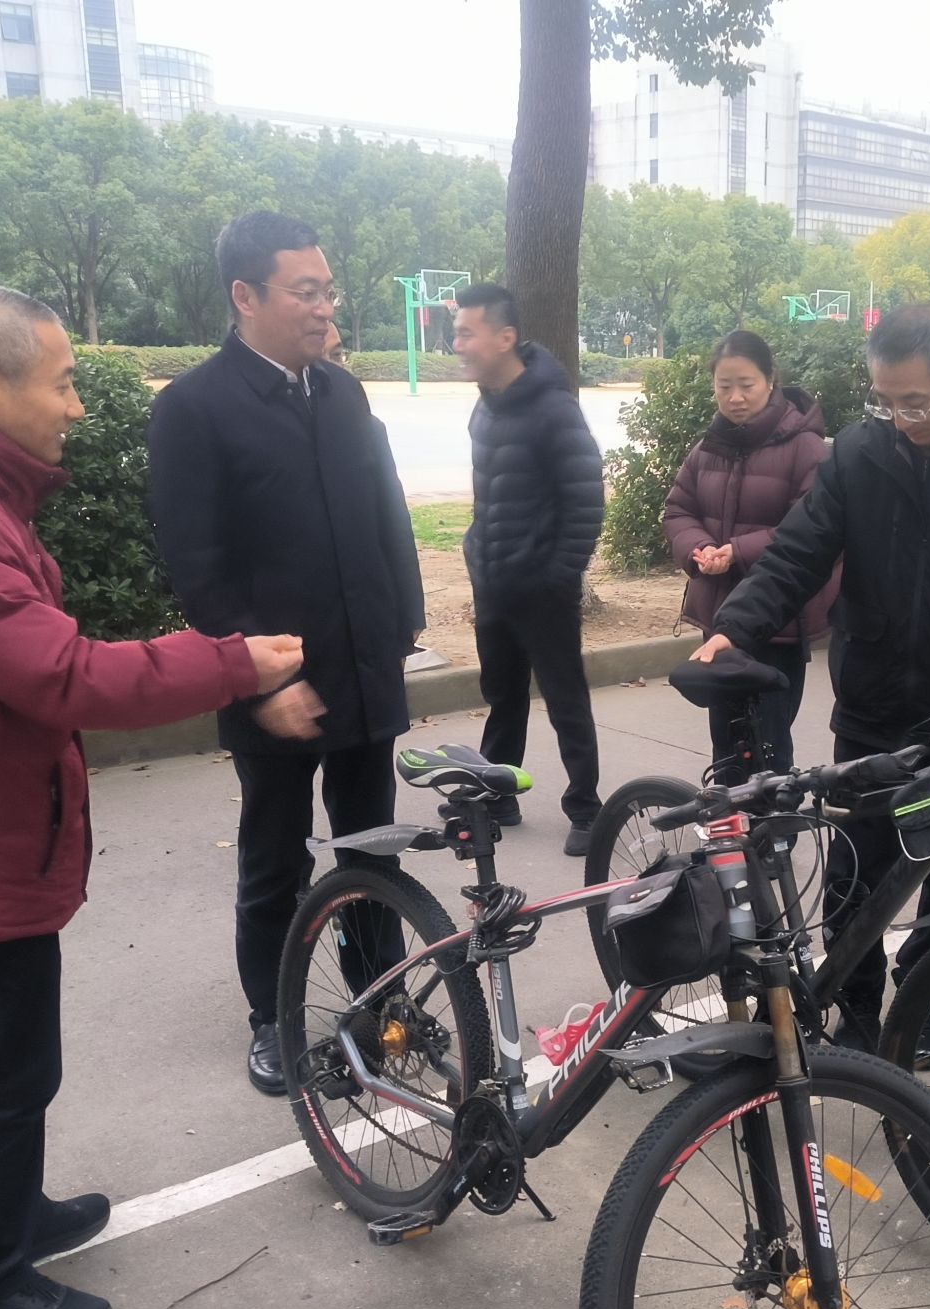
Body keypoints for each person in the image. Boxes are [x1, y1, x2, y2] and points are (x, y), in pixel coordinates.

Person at [0, 285, 305, 1309]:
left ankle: (8, 1216)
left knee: (8, 1060)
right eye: (63, 383)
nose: (77, 406)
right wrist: (228, 662)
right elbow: (60, 675)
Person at [692, 306, 930, 1070]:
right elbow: (797, 554)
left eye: (916, 400)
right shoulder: (858, 456)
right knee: (855, 869)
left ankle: (919, 999)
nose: (901, 418)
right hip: (872, 701)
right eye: (885, 400)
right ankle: (857, 1010)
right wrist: (733, 627)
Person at [148, 212, 426, 1096]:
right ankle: (274, 1016)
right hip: (270, 684)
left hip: (364, 666)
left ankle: (379, 999)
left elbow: (386, 515)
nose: (323, 307)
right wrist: (261, 680)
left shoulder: (343, 394)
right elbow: (197, 568)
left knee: (371, 849)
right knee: (275, 859)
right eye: (305, 291)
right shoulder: (193, 409)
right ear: (245, 295)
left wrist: (403, 624)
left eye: (327, 291)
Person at [450, 282, 606, 856]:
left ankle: (587, 809)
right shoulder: (484, 407)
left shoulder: (553, 409)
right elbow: (487, 496)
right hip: (494, 583)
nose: (457, 345)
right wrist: (476, 554)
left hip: (543, 589)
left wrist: (557, 574)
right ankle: (498, 796)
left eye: (467, 333)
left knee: (566, 700)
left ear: (505, 337)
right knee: (503, 695)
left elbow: (586, 500)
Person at [663, 330, 835, 774]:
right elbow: (678, 509)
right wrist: (699, 549)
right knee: (726, 741)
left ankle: (769, 815)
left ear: (771, 380)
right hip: (718, 613)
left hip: (777, 622)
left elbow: (811, 530)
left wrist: (737, 551)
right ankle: (728, 814)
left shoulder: (805, 447)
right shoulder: (708, 447)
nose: (735, 398)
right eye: (724, 386)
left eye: (746, 385)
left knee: (768, 742)